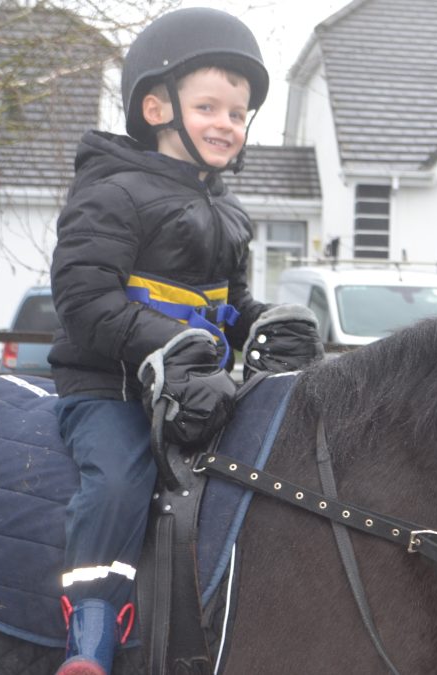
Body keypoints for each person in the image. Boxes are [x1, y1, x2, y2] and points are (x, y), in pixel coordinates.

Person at [47, 8, 322, 674]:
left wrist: (266, 323)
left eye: (240, 112)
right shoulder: (111, 192)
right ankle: (91, 635)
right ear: (155, 106)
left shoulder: (228, 211)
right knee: (116, 481)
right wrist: (162, 347)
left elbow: (227, 305)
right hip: (111, 390)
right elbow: (84, 299)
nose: (228, 123)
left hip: (197, 389)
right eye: (209, 106)